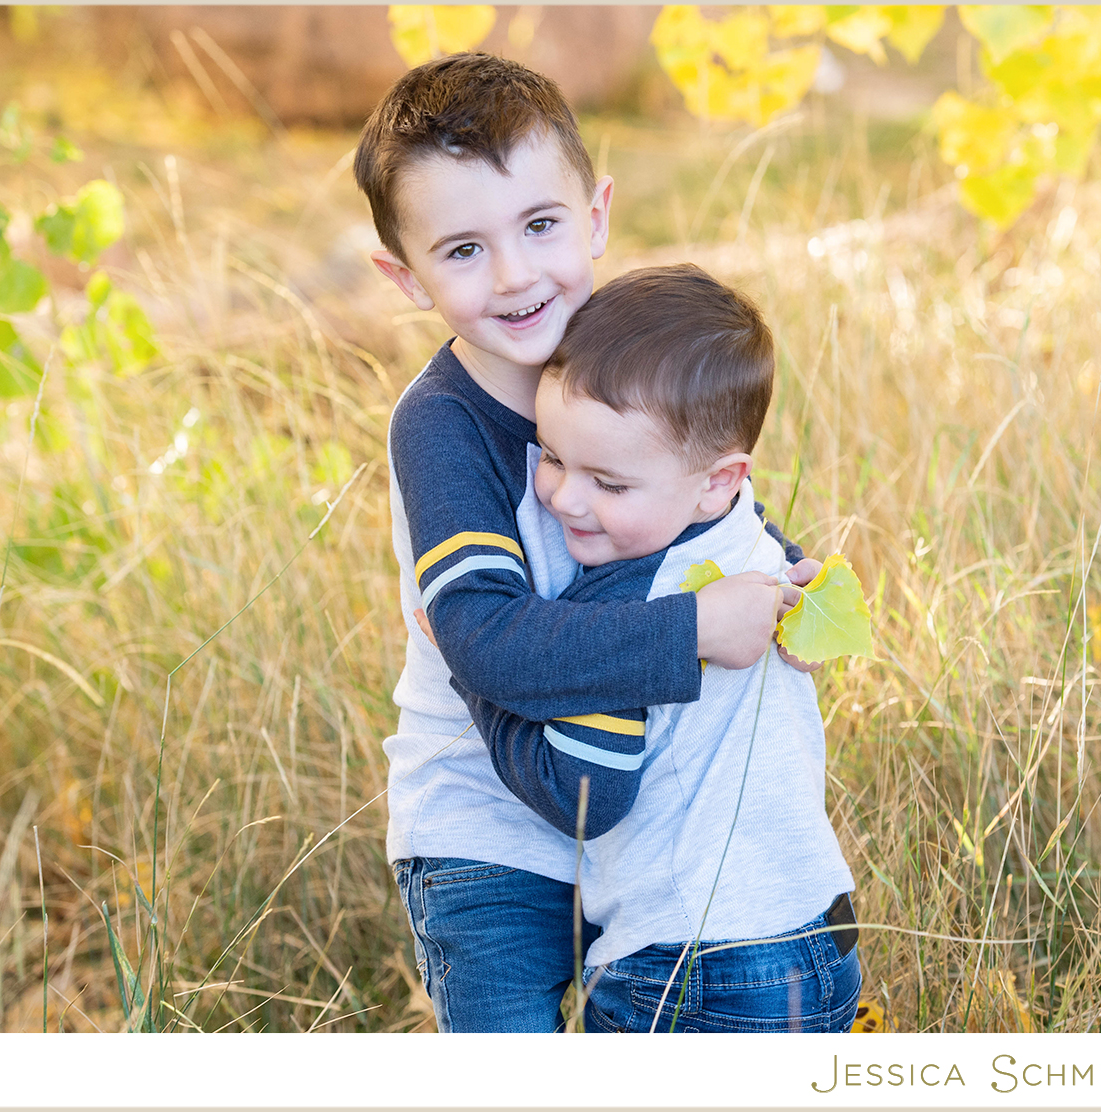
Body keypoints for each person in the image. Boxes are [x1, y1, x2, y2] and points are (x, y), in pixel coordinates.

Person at [353, 53, 818, 1032]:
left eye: (540, 226)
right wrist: (691, 625)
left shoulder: (625, 356)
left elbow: (705, 509)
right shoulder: (441, 424)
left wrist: (782, 580)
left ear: (595, 215)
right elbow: (484, 639)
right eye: (463, 250)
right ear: (405, 274)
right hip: (486, 829)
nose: (517, 275)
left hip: (631, 823)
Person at [454, 264, 860, 1034]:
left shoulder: (625, 606)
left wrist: (471, 678)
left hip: (693, 964)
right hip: (822, 936)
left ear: (716, 481)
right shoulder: (759, 547)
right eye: (555, 459)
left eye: (608, 482)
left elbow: (587, 793)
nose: (567, 497)